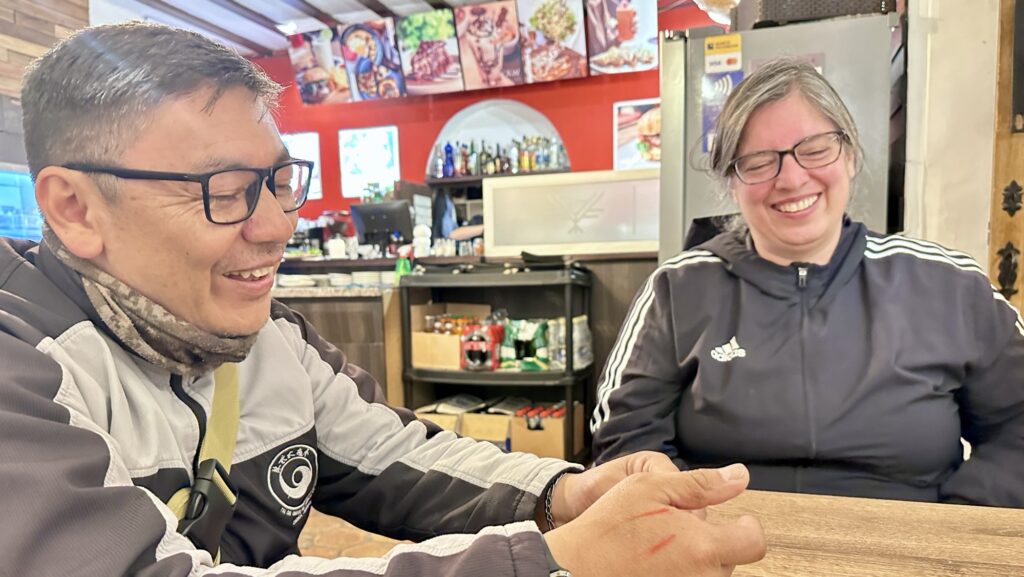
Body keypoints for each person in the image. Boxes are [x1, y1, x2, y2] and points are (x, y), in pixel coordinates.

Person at [0, 22, 766, 576]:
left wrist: (564, 492)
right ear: (74, 209)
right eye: (225, 192)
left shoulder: (267, 340)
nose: (275, 229)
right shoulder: (21, 372)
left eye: (277, 182)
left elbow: (396, 453)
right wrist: (548, 559)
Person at [591, 57, 1024, 508]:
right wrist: (686, 517)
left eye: (816, 150)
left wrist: (957, 526)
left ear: (851, 156)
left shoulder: (947, 284)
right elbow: (625, 437)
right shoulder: (675, 290)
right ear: (731, 184)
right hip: (718, 547)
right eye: (758, 162)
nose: (792, 179)